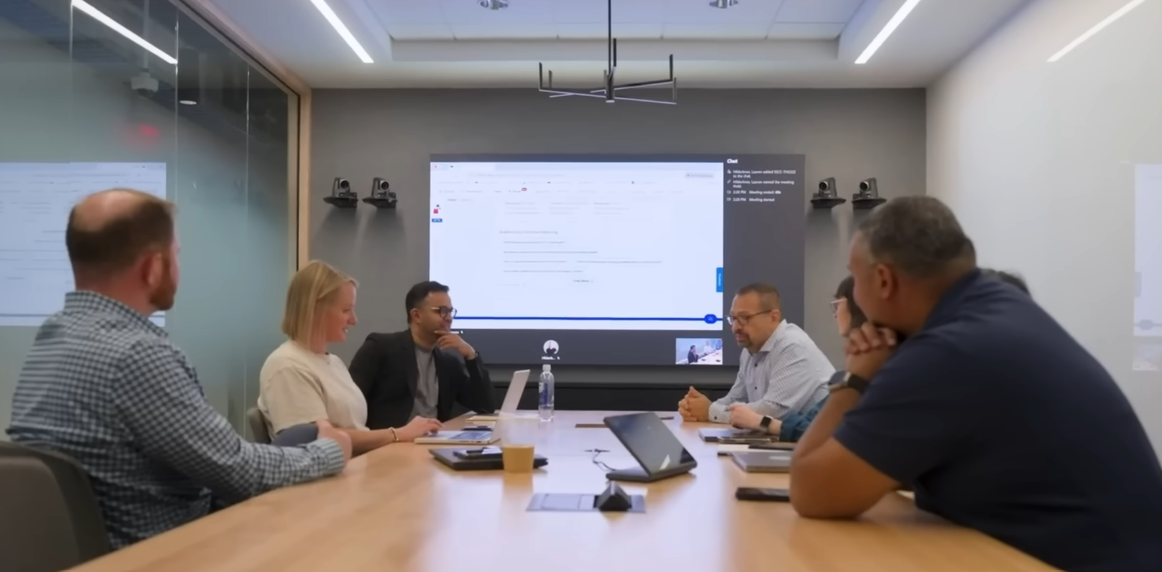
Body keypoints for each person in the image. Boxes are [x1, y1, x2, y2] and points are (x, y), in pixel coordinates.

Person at [789, 196, 1162, 572]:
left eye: (855, 280)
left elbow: (810, 491)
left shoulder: (946, 353)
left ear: (884, 280)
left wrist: (855, 379)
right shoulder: (999, 308)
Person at [6, 189, 352, 549]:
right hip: (169, 549)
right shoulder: (139, 355)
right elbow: (239, 472)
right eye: (177, 255)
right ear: (153, 268)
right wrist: (329, 451)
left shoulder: (53, 335)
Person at [257, 261, 442, 455]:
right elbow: (317, 440)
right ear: (315, 309)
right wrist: (398, 434)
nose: (354, 320)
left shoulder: (333, 362)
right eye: (346, 310)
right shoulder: (286, 366)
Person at [679, 283, 834, 429]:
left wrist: (710, 411)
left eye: (744, 318)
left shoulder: (792, 346)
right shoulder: (750, 349)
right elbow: (735, 398)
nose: (735, 327)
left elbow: (773, 411)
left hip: (821, 441)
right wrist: (695, 407)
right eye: (733, 318)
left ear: (773, 317)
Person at [349, 280, 496, 429]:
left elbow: (485, 406)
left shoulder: (447, 363)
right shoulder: (381, 348)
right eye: (441, 311)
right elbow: (350, 402)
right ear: (416, 315)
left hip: (435, 438)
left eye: (450, 311)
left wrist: (471, 355)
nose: (449, 318)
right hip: (393, 438)